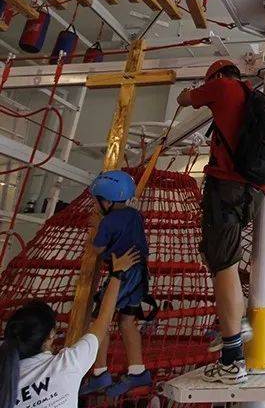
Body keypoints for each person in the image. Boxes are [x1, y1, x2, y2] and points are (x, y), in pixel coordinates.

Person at [177, 59, 265, 384]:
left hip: (227, 188)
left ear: (215, 76)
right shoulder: (250, 95)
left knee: (223, 264)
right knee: (225, 258)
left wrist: (192, 90)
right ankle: (234, 335)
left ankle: (233, 357)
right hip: (252, 192)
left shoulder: (222, 86)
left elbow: (184, 98)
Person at [0, 248, 140, 408]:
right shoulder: (67, 365)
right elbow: (104, 320)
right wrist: (117, 272)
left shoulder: (6, 371)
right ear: (50, 336)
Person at [80, 170, 152, 397]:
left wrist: (95, 228)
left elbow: (98, 249)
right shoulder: (135, 215)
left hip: (123, 275)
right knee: (127, 322)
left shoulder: (108, 222)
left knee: (97, 321)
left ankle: (100, 373)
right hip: (140, 273)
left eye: (97, 201)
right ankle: (138, 371)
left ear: (108, 201)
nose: (96, 205)